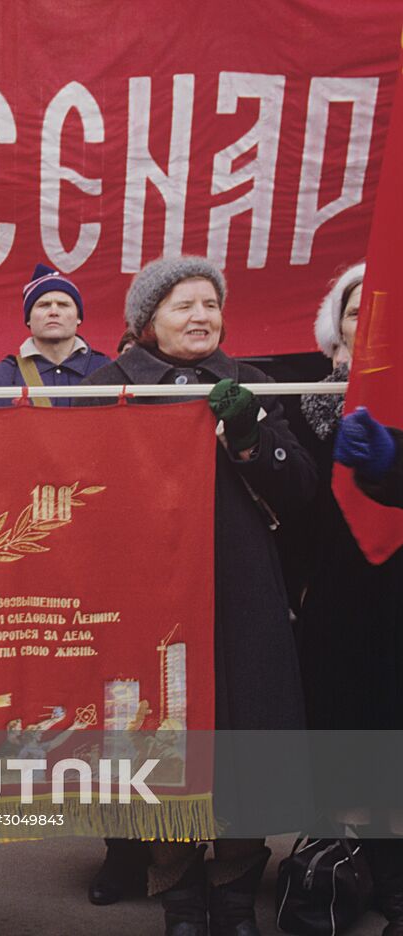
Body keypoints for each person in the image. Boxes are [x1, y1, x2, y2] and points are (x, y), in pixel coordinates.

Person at [78, 255, 315, 936]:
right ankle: (179, 898)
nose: (201, 316)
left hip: (241, 591)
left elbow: (300, 489)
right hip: (145, 597)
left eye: (210, 304)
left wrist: (250, 438)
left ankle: (235, 898)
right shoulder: (107, 387)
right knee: (161, 743)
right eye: (183, 305)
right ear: (146, 322)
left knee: (243, 741)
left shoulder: (252, 382)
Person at [295, 264, 403, 936]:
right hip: (334, 592)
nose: (371, 322)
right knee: (343, 725)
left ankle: (395, 878)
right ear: (337, 326)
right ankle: (346, 868)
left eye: (383, 310)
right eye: (358, 310)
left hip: (397, 587)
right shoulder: (304, 401)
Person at [0, 264, 109, 407]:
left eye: (63, 305)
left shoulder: (108, 371)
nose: (53, 312)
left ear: (78, 317)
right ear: (28, 319)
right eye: (44, 305)